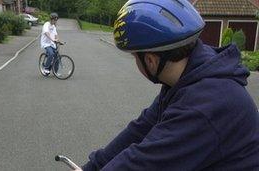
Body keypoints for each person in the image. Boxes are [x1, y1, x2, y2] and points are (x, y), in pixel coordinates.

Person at [82, 0, 259, 170]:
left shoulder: (205, 104)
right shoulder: (188, 78)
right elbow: (142, 127)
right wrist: (93, 166)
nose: (136, 62)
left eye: (135, 57)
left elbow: (144, 162)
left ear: (150, 60)